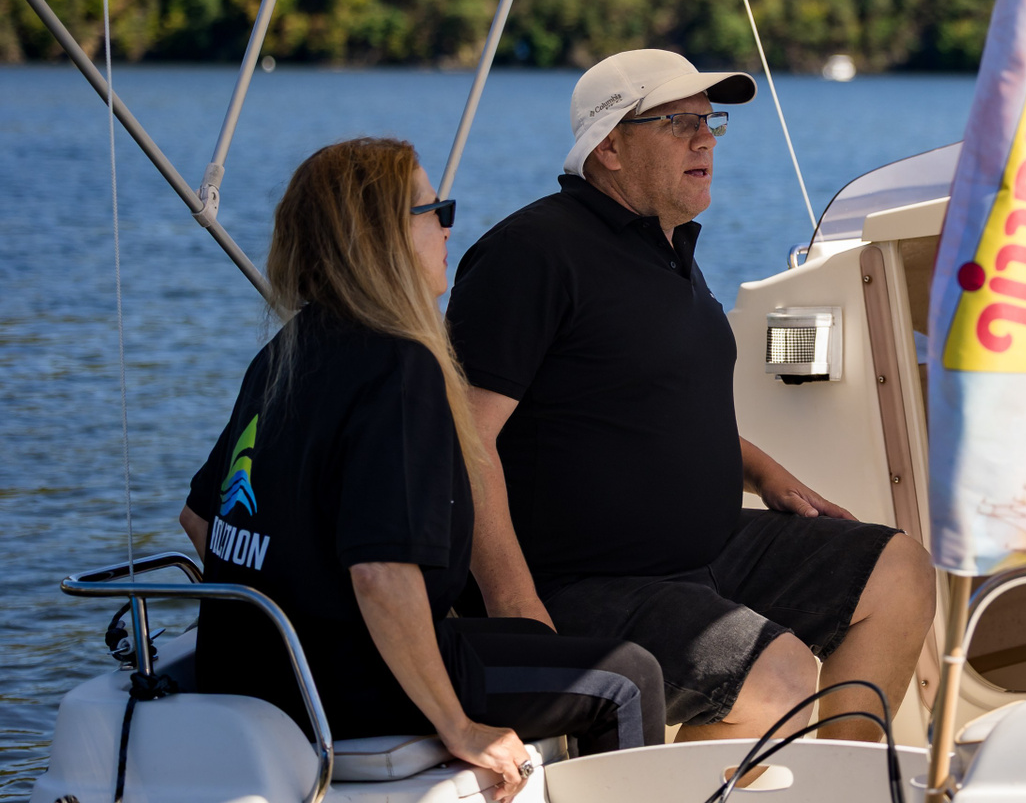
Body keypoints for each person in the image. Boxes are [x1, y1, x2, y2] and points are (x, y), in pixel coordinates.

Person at [446, 49, 935, 744]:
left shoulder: (667, 250)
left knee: (899, 572)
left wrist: (765, 474)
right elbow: (463, 440)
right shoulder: (532, 254)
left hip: (708, 549)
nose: (705, 139)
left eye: (710, 121)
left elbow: (654, 409)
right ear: (610, 147)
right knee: (778, 676)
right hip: (581, 580)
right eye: (678, 123)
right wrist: (516, 606)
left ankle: (837, 784)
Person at [181, 139, 664, 801]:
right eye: (435, 210)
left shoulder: (286, 351)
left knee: (524, 638)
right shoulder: (399, 367)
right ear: (379, 237)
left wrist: (299, 595)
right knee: (627, 677)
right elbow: (381, 575)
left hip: (252, 671)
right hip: (350, 682)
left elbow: (201, 517)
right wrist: (458, 725)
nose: (447, 227)